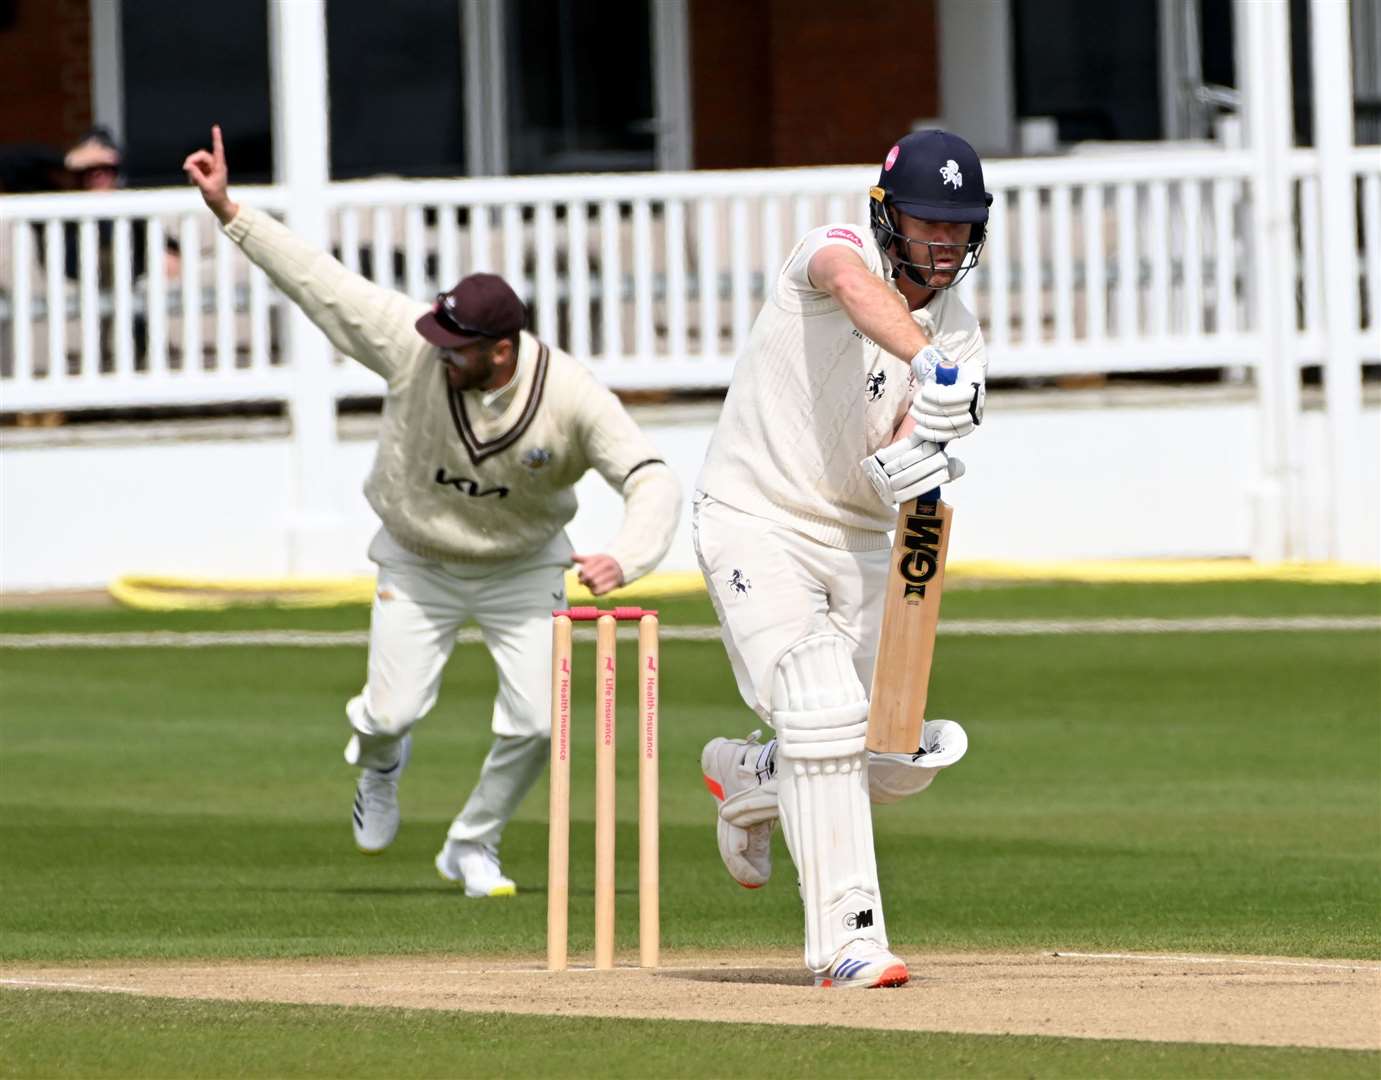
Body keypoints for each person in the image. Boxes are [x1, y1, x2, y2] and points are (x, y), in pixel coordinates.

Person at [183, 125, 681, 896]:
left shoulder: (572, 396)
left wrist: (629, 553)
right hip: (417, 560)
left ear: (501, 351)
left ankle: (471, 845)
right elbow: (321, 283)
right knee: (390, 713)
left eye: (457, 349)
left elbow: (648, 474)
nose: (439, 356)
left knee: (540, 725)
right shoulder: (412, 347)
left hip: (522, 568)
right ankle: (379, 766)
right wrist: (229, 212)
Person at [694, 130, 987, 987]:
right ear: (886, 213)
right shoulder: (831, 251)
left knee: (890, 758)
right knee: (820, 703)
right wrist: (925, 361)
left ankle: (751, 774)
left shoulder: (959, 337)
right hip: (756, 517)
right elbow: (852, 289)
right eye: (926, 222)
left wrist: (922, 448)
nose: (942, 241)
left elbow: (907, 448)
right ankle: (846, 941)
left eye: (958, 226)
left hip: (859, 541)